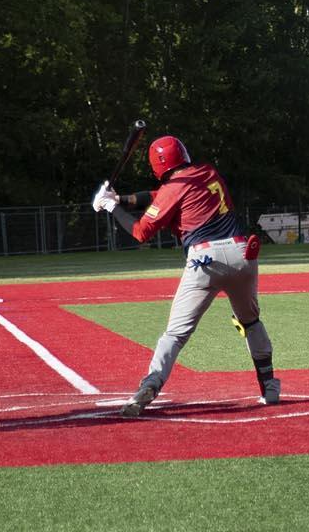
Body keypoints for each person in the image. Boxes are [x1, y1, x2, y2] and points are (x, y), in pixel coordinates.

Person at [92, 134, 276, 418]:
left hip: (205, 262)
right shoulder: (207, 171)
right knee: (250, 322)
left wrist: (111, 207)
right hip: (242, 253)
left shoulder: (171, 190)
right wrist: (118, 198)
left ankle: (149, 386)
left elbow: (141, 232)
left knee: (175, 334)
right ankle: (270, 387)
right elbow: (159, 195)